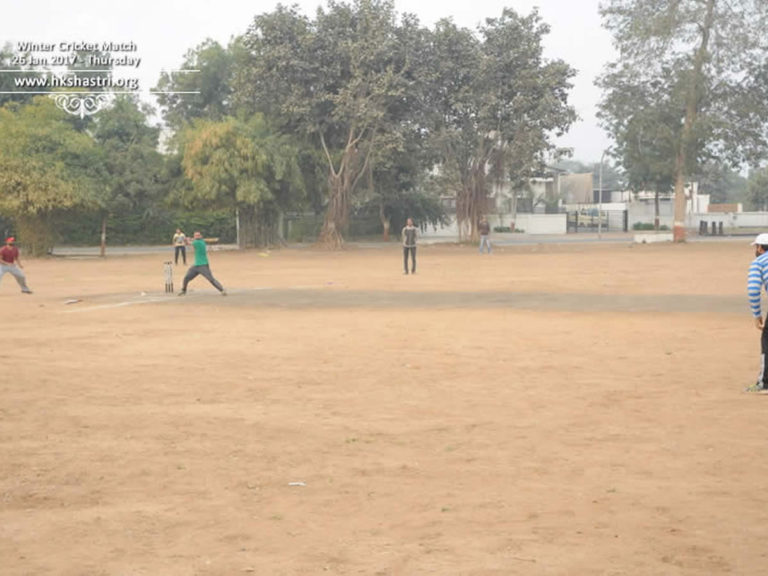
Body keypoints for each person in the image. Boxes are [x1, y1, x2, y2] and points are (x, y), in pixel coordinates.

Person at [746, 232, 768, 391]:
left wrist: (757, 315)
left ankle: (765, 383)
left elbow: (753, 291)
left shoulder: (758, 262)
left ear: (760, 248)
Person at [177, 232, 227, 296]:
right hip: (196, 265)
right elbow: (191, 242)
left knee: (211, 279)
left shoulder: (198, 242)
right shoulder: (201, 241)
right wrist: (188, 239)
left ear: (201, 236)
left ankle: (222, 290)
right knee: (186, 278)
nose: (197, 236)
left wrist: (186, 239)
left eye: (198, 235)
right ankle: (183, 290)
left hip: (203, 265)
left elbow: (188, 243)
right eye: (195, 235)